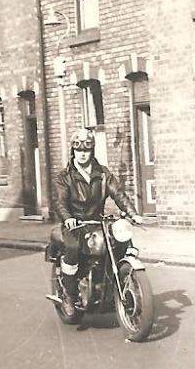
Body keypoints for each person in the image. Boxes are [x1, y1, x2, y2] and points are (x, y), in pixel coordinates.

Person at [51, 127, 142, 311]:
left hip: (97, 222)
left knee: (119, 243)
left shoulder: (102, 174)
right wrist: (68, 218)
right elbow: (59, 202)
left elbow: (119, 194)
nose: (82, 154)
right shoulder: (64, 176)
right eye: (78, 149)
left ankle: (113, 285)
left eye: (86, 149)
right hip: (75, 224)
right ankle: (69, 295)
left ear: (92, 150)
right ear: (73, 150)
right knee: (73, 248)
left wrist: (133, 214)